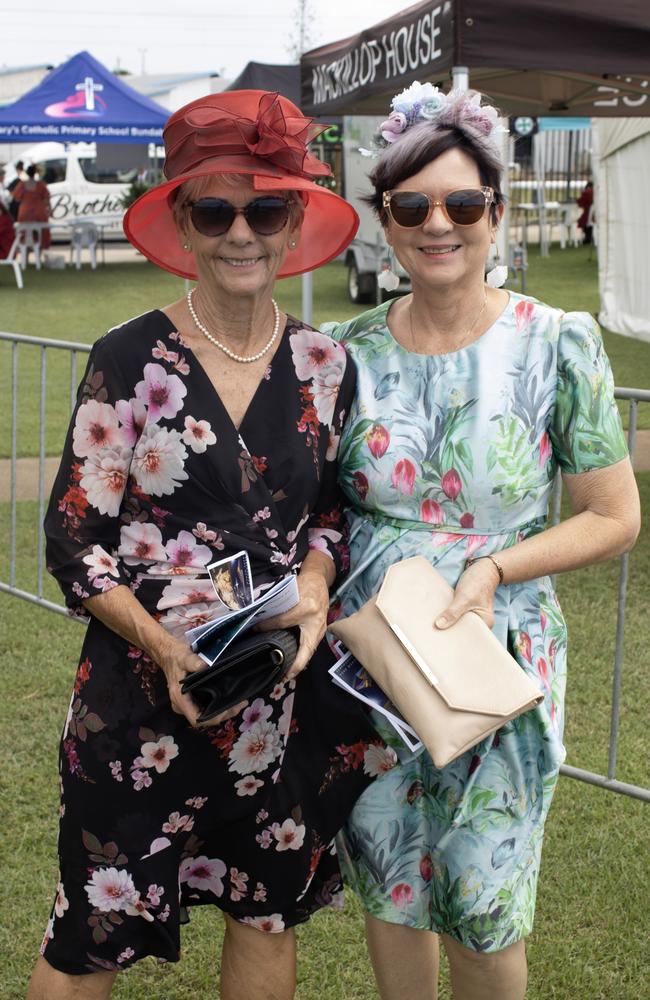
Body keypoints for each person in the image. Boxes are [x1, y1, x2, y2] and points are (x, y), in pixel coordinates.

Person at [28, 90, 385, 1000]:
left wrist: (311, 585)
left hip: (271, 706)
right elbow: (72, 540)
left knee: (264, 914)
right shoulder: (126, 358)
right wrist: (165, 648)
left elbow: (333, 513)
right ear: (182, 225)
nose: (240, 234)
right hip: (139, 707)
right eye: (214, 210)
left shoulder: (326, 365)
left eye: (264, 208)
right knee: (90, 933)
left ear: (293, 218)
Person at [327, 84, 640, 1000]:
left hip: (495, 653)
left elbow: (614, 514)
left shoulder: (558, 344)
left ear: (497, 216)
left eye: (463, 204)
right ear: (384, 221)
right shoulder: (346, 353)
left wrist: (497, 565)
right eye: (412, 206)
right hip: (376, 658)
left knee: (481, 889)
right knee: (389, 877)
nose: (440, 225)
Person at [12, 163, 51, 249]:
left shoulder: (22, 185)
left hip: (25, 213)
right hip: (39, 213)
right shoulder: (40, 185)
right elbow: (46, 200)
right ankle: (39, 254)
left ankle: (25, 255)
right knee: (40, 235)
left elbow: (16, 198)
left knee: (25, 235)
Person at [577, 179, 594, 245]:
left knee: (584, 221)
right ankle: (588, 237)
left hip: (588, 213)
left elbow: (580, 202)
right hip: (592, 214)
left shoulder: (587, 192)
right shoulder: (595, 192)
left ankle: (588, 238)